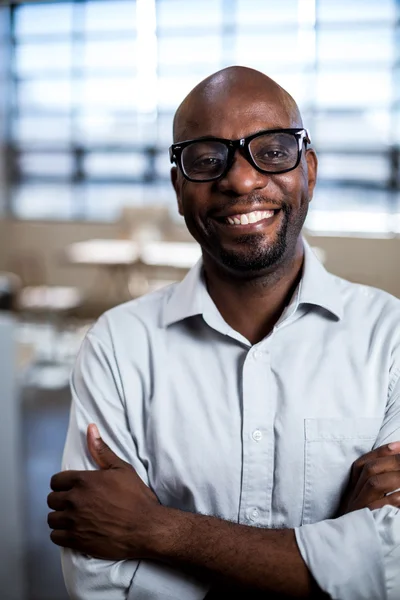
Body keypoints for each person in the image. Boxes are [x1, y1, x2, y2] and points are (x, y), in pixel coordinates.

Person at [47, 66, 400, 599]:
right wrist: (339, 558)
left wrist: (156, 530)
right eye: (207, 159)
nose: (240, 179)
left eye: (273, 151)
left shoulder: (391, 339)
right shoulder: (118, 347)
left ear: (309, 169)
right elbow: (103, 584)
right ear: (178, 186)